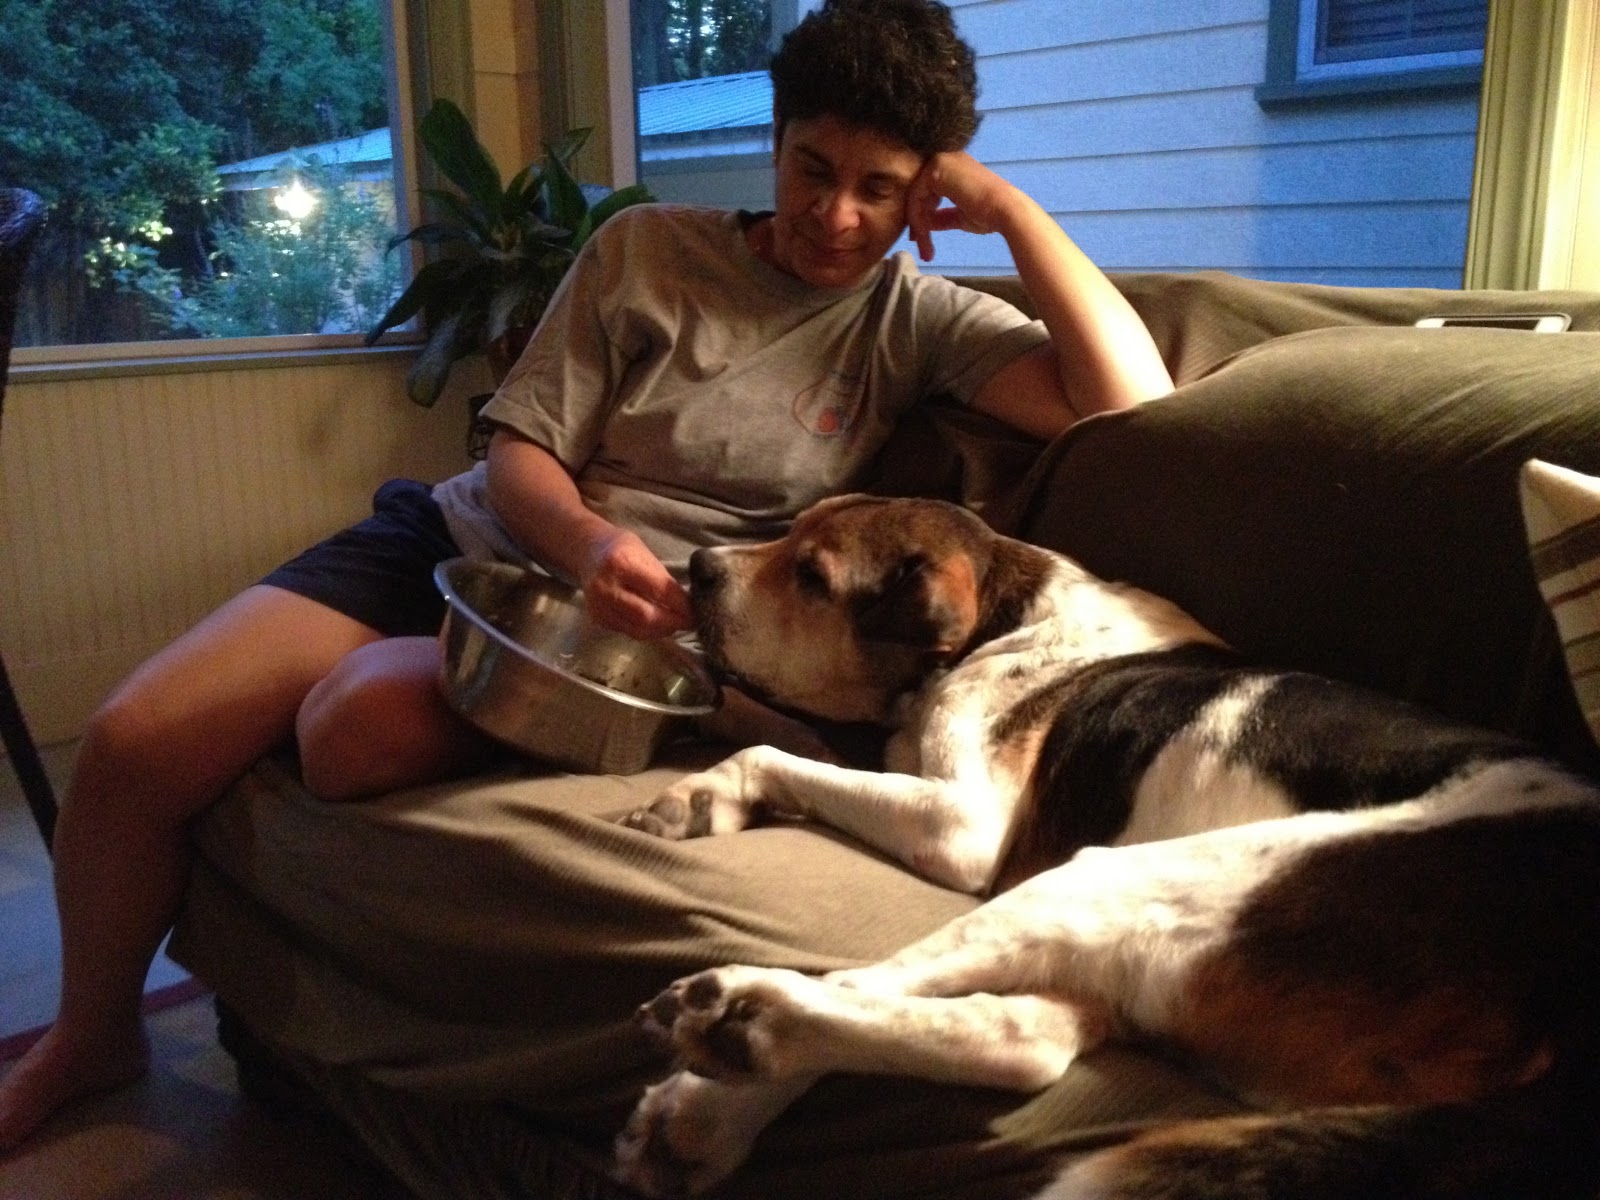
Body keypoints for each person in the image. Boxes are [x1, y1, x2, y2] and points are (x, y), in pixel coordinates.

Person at [0, 0, 1172, 1153]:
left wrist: (1010, 211)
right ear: (774, 142)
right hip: (471, 538)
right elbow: (519, 454)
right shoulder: (646, 247)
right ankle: (92, 1037)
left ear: (925, 193)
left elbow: (1135, 406)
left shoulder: (915, 323)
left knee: (348, 732)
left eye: (881, 189)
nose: (835, 215)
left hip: (632, 638)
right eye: (813, 169)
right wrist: (591, 546)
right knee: (134, 736)